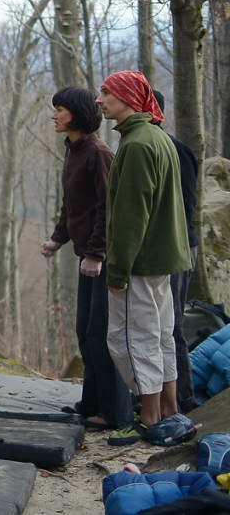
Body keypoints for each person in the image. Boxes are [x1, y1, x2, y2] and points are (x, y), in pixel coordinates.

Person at [96, 71, 197, 447]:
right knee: (159, 337)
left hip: (140, 263)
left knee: (128, 340)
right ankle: (170, 411)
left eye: (106, 92)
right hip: (164, 260)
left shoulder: (138, 144)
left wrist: (118, 269)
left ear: (126, 98)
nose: (100, 99)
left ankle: (150, 417)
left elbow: (130, 216)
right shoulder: (157, 137)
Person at [39, 87, 132, 430]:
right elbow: (73, 204)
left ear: (76, 114)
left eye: (60, 109)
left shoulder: (99, 154)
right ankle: (90, 403)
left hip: (102, 260)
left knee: (101, 335)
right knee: (85, 331)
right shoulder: (74, 150)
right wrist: (57, 239)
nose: (54, 115)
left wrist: (96, 253)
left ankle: (116, 413)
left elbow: (108, 209)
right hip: (86, 257)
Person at [153, 89, 202, 414]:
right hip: (165, 248)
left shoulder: (175, 150)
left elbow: (185, 205)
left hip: (178, 247)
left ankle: (181, 400)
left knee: (171, 326)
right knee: (156, 326)